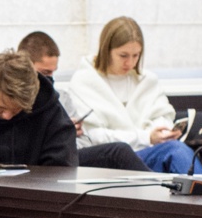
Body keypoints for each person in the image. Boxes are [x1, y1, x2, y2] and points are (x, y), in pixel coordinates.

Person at [66, 17, 201, 174]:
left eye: (136, 55)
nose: (130, 63)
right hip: (106, 161)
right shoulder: (84, 81)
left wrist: (163, 132)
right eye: (123, 55)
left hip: (148, 152)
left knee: (176, 150)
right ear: (106, 50)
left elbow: (162, 116)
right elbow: (92, 136)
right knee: (175, 150)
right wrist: (146, 137)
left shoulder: (147, 80)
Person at [17, 31, 150, 172]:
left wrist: (69, 134)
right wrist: (58, 132)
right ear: (25, 68)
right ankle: (159, 185)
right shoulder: (15, 101)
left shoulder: (62, 98)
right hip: (41, 159)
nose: (49, 79)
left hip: (69, 156)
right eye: (45, 73)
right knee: (119, 152)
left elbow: (85, 142)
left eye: (53, 72)